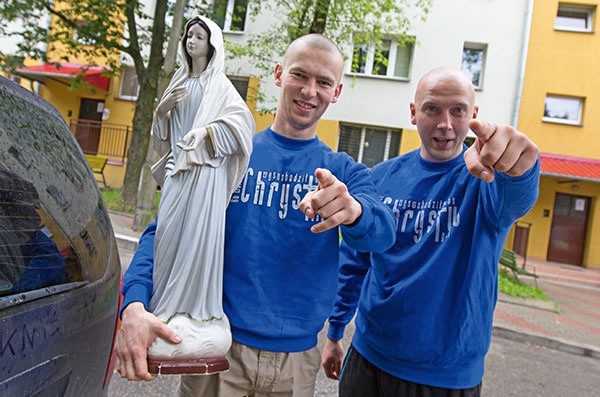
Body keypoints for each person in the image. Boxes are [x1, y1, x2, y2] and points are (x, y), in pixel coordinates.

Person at [116, 33, 397, 396]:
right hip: (218, 350)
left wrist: (355, 212)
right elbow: (166, 230)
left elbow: (383, 233)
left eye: (323, 82)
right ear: (279, 74)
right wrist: (134, 305)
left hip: (297, 362)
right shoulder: (227, 154)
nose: (310, 91)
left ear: (337, 92)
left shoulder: (342, 171)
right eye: (300, 75)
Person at [322, 67, 541, 397]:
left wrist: (521, 168)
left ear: (474, 116)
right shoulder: (381, 176)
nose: (445, 124)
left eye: (458, 111)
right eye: (432, 109)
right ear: (413, 113)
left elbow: (518, 196)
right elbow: (355, 262)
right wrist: (336, 332)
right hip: (368, 358)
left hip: (446, 376)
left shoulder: (487, 181)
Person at [147, 15, 254, 361]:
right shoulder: (178, 80)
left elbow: (242, 126)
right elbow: (162, 135)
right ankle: (165, 306)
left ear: (212, 44)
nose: (192, 41)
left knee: (197, 238)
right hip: (178, 170)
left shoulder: (219, 86)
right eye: (189, 35)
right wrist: (161, 113)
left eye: (199, 36)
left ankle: (195, 312)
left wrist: (206, 134)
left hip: (205, 174)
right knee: (167, 236)